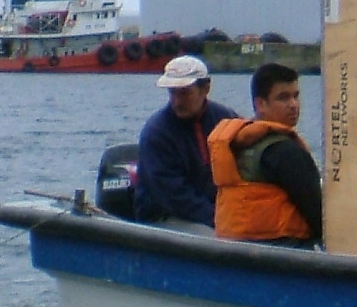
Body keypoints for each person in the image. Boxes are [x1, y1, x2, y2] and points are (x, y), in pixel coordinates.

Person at [208, 62, 324, 248]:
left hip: (236, 247)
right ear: (260, 104)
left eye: (296, 96)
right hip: (284, 249)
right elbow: (318, 214)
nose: (293, 105)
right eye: (283, 98)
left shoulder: (237, 144)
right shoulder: (285, 152)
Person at [135, 53, 238, 231]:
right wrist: (220, 219)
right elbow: (173, 195)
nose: (177, 101)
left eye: (184, 93)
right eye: (172, 93)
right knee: (217, 240)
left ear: (205, 88)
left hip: (215, 211)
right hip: (164, 217)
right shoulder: (156, 133)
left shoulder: (226, 119)